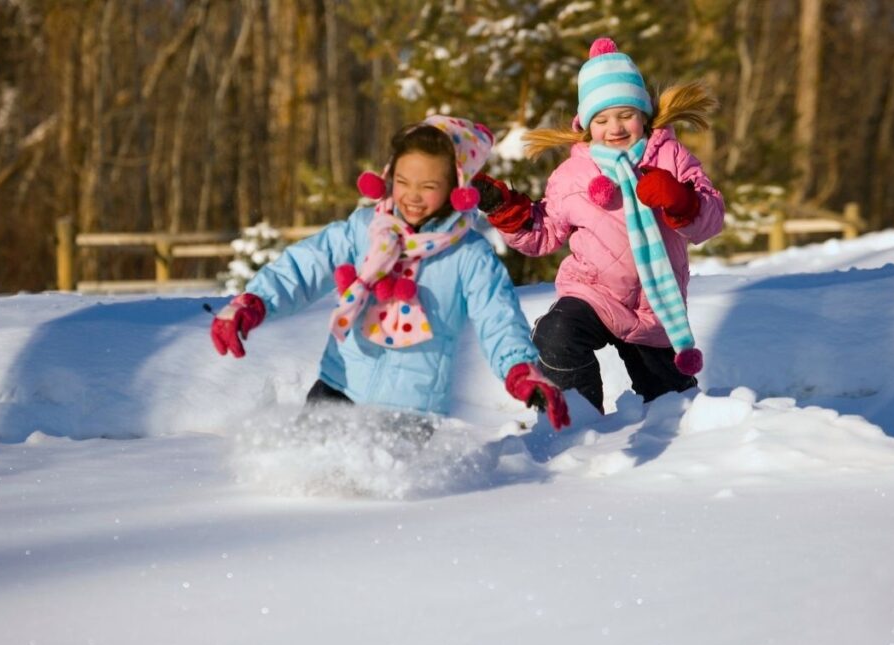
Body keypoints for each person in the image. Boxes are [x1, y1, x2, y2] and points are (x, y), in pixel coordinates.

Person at [210, 115, 570, 432]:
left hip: (412, 409)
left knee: (374, 494)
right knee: (309, 484)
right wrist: (254, 301)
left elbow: (498, 318)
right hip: (339, 385)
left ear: (458, 189)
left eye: (428, 186)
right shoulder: (363, 229)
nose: (412, 196)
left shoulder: (468, 255)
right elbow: (306, 265)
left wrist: (520, 370)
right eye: (403, 181)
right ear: (387, 177)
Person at [473, 37, 725, 414]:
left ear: (644, 114)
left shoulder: (672, 157)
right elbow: (542, 234)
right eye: (602, 119)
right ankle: (576, 420)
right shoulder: (573, 174)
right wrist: (507, 211)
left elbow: (710, 220)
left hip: (656, 305)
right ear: (587, 125)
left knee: (675, 409)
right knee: (555, 334)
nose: (616, 127)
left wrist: (681, 200)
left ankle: (676, 439)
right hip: (593, 292)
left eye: (625, 114)